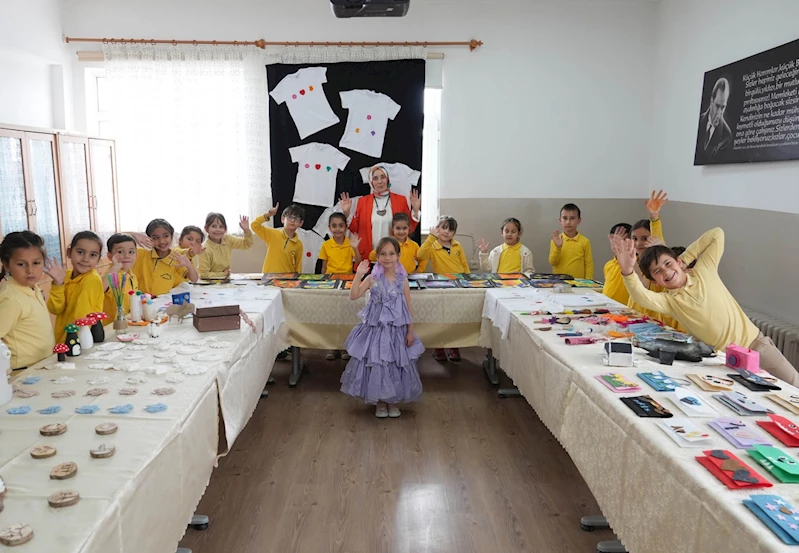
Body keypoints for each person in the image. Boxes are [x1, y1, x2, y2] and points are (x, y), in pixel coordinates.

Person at [612, 228, 799, 386]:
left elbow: (717, 234)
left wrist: (686, 258)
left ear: (678, 262)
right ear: (655, 281)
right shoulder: (670, 302)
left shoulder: (703, 271)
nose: (666, 272)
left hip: (755, 345)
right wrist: (627, 271)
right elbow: (641, 296)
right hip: (726, 362)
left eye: (668, 263)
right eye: (658, 272)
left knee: (793, 385)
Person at [341, 237, 424, 418]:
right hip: (375, 331)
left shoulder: (402, 280)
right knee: (378, 364)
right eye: (383, 254)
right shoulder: (372, 279)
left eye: (391, 254)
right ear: (377, 256)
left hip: (396, 331)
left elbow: (408, 307)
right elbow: (354, 295)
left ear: (398, 255)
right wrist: (358, 274)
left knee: (394, 365)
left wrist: (410, 331)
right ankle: (379, 401)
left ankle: (392, 401)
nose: (387, 258)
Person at [339, 164, 421, 261]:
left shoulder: (400, 200)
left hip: (393, 258)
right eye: (375, 178)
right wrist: (347, 213)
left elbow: (409, 228)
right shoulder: (363, 201)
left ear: (387, 179)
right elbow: (356, 229)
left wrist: (415, 210)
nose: (380, 181)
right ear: (371, 182)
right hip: (368, 256)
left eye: (383, 177)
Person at [417, 216, 470, 363]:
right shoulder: (432, 245)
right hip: (441, 285)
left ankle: (454, 347)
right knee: (440, 317)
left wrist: (468, 280)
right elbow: (420, 255)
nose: (447, 232)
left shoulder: (457, 245)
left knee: (456, 317)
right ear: (437, 228)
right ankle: (438, 347)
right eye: (444, 228)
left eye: (450, 229)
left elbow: (464, 264)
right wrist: (430, 238)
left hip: (459, 284)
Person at [0, 231, 54, 371]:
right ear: (6, 265)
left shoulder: (34, 288)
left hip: (42, 365)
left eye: (36, 263)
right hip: (21, 372)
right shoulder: (11, 299)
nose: (30, 270)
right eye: (21, 264)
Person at [45, 231, 105, 344]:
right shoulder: (66, 276)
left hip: (81, 340)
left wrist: (69, 343)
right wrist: (58, 283)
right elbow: (55, 309)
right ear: (69, 252)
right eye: (80, 252)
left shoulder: (92, 279)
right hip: (65, 339)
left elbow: (82, 318)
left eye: (93, 255)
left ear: (98, 259)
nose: (85, 259)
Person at [319, 212, 361, 361]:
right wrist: (323, 284)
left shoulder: (350, 243)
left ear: (345, 227)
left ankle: (345, 347)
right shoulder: (326, 245)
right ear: (329, 228)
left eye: (341, 226)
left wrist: (355, 248)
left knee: (345, 315)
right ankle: (333, 346)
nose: (338, 229)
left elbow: (359, 262)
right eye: (334, 226)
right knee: (333, 316)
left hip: (347, 283)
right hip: (331, 283)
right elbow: (324, 267)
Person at [130, 219, 199, 296]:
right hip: (139, 299)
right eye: (155, 238)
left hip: (162, 300)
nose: (162, 241)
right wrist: (134, 234)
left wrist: (189, 265)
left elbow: (194, 279)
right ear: (149, 238)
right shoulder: (141, 253)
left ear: (171, 236)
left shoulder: (175, 257)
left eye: (166, 236)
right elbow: (119, 240)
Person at [250, 203, 305, 273]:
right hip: (269, 276)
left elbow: (298, 265)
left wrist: (297, 277)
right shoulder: (273, 234)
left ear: (301, 223)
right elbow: (254, 225)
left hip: (288, 277)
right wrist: (268, 215)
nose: (292, 220)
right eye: (289, 217)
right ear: (283, 219)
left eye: (296, 218)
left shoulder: (299, 244)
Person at [198, 212, 254, 279]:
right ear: (206, 228)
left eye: (221, 227)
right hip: (211, 283)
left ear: (225, 229)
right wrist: (223, 274)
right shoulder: (204, 249)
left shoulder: (228, 239)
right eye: (214, 226)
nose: (218, 230)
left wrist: (246, 230)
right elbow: (204, 275)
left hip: (226, 280)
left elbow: (247, 244)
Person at [549, 203, 594, 280]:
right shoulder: (556, 240)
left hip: (579, 283)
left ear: (579, 221)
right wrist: (558, 247)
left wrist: (588, 282)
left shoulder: (585, 241)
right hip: (559, 282)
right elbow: (553, 262)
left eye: (572, 218)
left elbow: (588, 264)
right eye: (565, 218)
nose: (568, 222)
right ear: (560, 220)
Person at [102, 233, 139, 320]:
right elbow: (100, 289)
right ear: (110, 256)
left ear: (136, 255)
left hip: (129, 321)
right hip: (112, 325)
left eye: (131, 252)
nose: (127, 256)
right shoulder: (112, 275)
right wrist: (115, 267)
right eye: (121, 252)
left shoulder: (132, 276)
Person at [696, 77, 732, 162]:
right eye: (717, 106)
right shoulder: (700, 121)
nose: (719, 113)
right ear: (711, 101)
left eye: (723, 107)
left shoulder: (727, 136)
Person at [601, 223, 632, 304]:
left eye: (623, 241)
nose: (618, 245)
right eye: (615, 241)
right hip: (607, 307)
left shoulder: (635, 264)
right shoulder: (608, 265)